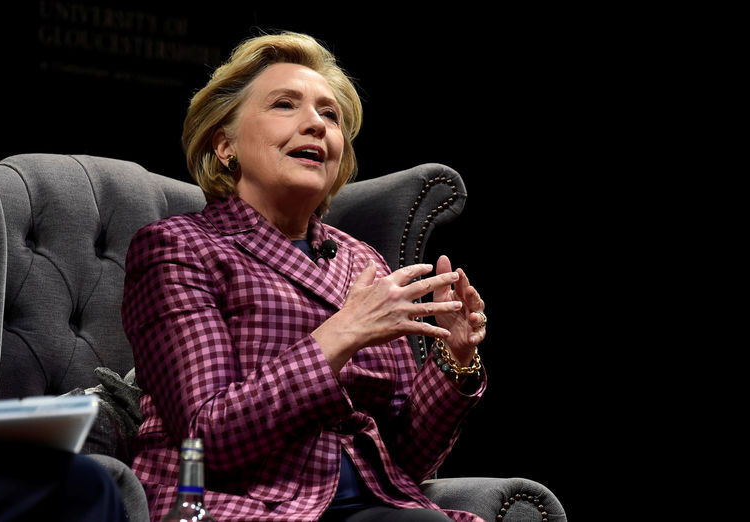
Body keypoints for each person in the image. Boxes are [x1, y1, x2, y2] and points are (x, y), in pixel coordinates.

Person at [121, 31, 488, 522]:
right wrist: (341, 334)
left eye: (329, 115)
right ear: (225, 144)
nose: (315, 123)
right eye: (285, 105)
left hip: (368, 507)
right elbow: (204, 437)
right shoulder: (179, 248)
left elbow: (404, 461)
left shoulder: (363, 264)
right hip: (235, 505)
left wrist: (454, 361)